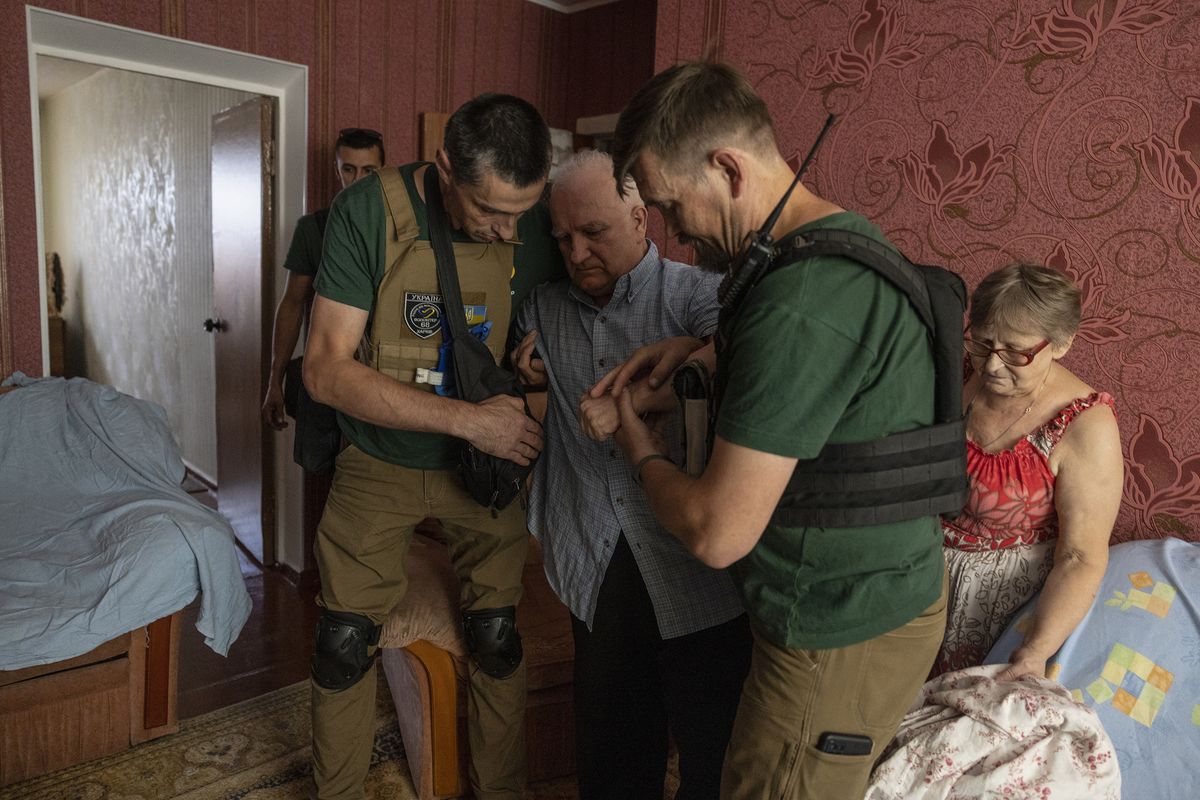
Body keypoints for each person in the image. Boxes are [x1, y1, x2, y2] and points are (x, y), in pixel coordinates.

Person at [594, 61, 949, 800]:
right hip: (876, 599)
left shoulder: (800, 302)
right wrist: (702, 353)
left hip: (835, 627)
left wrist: (638, 447)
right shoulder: (833, 244)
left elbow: (717, 532)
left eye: (669, 204)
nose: (675, 232)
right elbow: (833, 374)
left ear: (727, 167)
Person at [302, 94, 563, 800]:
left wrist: (534, 363)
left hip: (486, 473)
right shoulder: (368, 213)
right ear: (445, 167)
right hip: (379, 460)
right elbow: (324, 369)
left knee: (497, 636)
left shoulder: (531, 219)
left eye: (522, 213)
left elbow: (554, 323)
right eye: (490, 213)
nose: (510, 232)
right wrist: (469, 422)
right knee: (343, 643)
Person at [509, 150, 750, 800]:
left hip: (698, 567)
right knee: (614, 759)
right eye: (563, 239)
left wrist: (640, 402)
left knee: (713, 758)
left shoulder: (696, 295)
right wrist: (523, 374)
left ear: (642, 217)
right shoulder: (541, 309)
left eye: (595, 232)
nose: (578, 251)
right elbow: (510, 366)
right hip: (592, 556)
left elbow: (737, 359)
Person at [933, 263, 1122, 679]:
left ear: (1061, 343)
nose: (993, 367)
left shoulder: (1084, 425)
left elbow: (1080, 556)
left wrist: (1035, 650)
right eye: (982, 344)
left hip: (995, 603)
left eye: (1016, 352)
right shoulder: (961, 372)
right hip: (916, 567)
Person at [262, 127, 385, 430]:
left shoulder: (397, 229)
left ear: (383, 171)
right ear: (337, 169)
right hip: (330, 373)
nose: (357, 180)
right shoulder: (313, 228)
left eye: (369, 170)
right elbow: (292, 304)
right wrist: (274, 380)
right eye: (349, 169)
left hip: (384, 377)